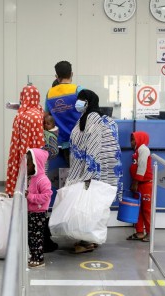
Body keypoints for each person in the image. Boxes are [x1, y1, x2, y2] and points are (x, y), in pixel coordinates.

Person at [65, 89, 123, 254]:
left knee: (86, 207)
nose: (78, 103)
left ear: (88, 102)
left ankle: (86, 240)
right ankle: (88, 239)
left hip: (92, 173)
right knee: (91, 207)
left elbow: (94, 149)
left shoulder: (94, 121)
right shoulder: (86, 119)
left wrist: (89, 175)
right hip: (90, 171)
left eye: (81, 100)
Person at [5, 85, 45, 196]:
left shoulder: (21, 115)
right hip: (37, 156)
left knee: (22, 181)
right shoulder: (41, 113)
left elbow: (16, 141)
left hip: (22, 154)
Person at [45, 61, 84, 165]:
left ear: (56, 76)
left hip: (57, 143)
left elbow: (46, 116)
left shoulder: (49, 93)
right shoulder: (78, 90)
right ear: (71, 74)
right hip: (78, 141)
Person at [25, 149, 53, 268]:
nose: (26, 165)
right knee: (31, 236)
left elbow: (47, 195)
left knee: (37, 237)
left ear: (37, 163)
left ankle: (39, 258)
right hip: (31, 211)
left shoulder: (43, 179)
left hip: (39, 213)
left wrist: (30, 197)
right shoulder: (32, 178)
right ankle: (33, 255)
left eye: (28, 163)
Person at [126, 131, 153, 243]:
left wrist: (135, 182)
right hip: (138, 184)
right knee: (138, 210)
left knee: (146, 210)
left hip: (145, 184)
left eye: (133, 140)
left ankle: (150, 233)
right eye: (131, 140)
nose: (131, 142)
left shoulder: (143, 149)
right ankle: (140, 232)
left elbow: (142, 166)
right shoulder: (137, 151)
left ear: (140, 139)